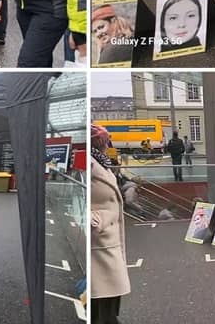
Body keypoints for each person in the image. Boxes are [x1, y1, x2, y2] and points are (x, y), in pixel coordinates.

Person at [90, 125, 130, 324]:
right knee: (104, 290)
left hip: (107, 238)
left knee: (110, 290)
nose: (108, 144)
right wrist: (97, 221)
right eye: (106, 140)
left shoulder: (101, 161)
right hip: (101, 239)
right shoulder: (90, 163)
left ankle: (109, 318)